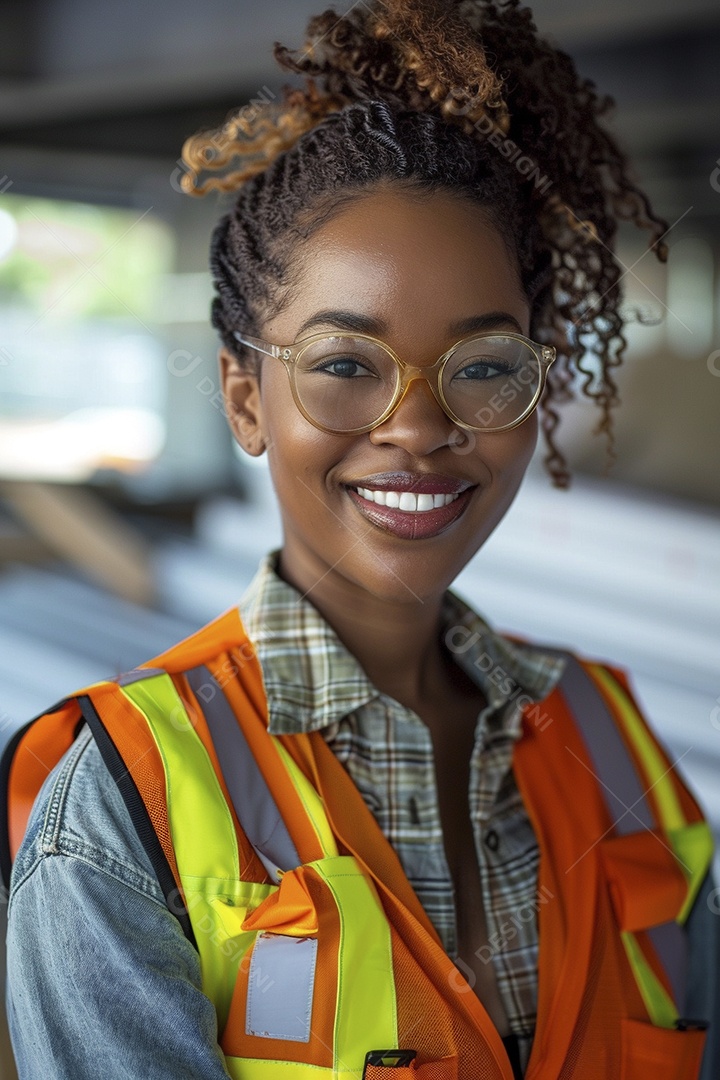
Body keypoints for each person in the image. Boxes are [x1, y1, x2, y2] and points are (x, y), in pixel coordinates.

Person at [3, 2, 718, 1078]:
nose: (420, 428)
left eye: (483, 366)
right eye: (344, 364)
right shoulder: (122, 804)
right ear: (246, 399)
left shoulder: (617, 742)